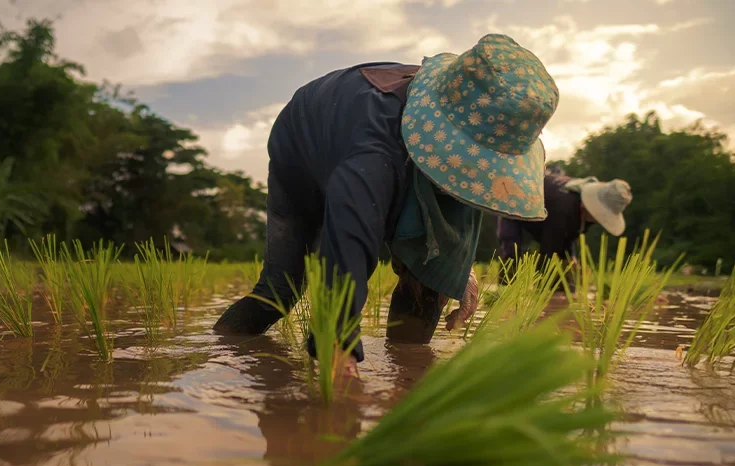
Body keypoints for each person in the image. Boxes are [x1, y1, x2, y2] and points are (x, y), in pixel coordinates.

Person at [213, 34, 560, 376]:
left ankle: (408, 376)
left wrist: (459, 270)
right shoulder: (372, 151)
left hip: (376, 147)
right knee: (281, 288)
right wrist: (337, 349)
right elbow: (349, 245)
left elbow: (455, 223)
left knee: (429, 283)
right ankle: (221, 353)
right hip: (303, 151)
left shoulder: (477, 122)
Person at [496, 173, 632, 267]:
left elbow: (571, 234)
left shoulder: (583, 214)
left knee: (566, 267)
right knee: (511, 255)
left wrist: (571, 257)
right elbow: (549, 250)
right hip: (513, 201)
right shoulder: (563, 205)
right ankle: (504, 295)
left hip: (549, 218)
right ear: (587, 205)